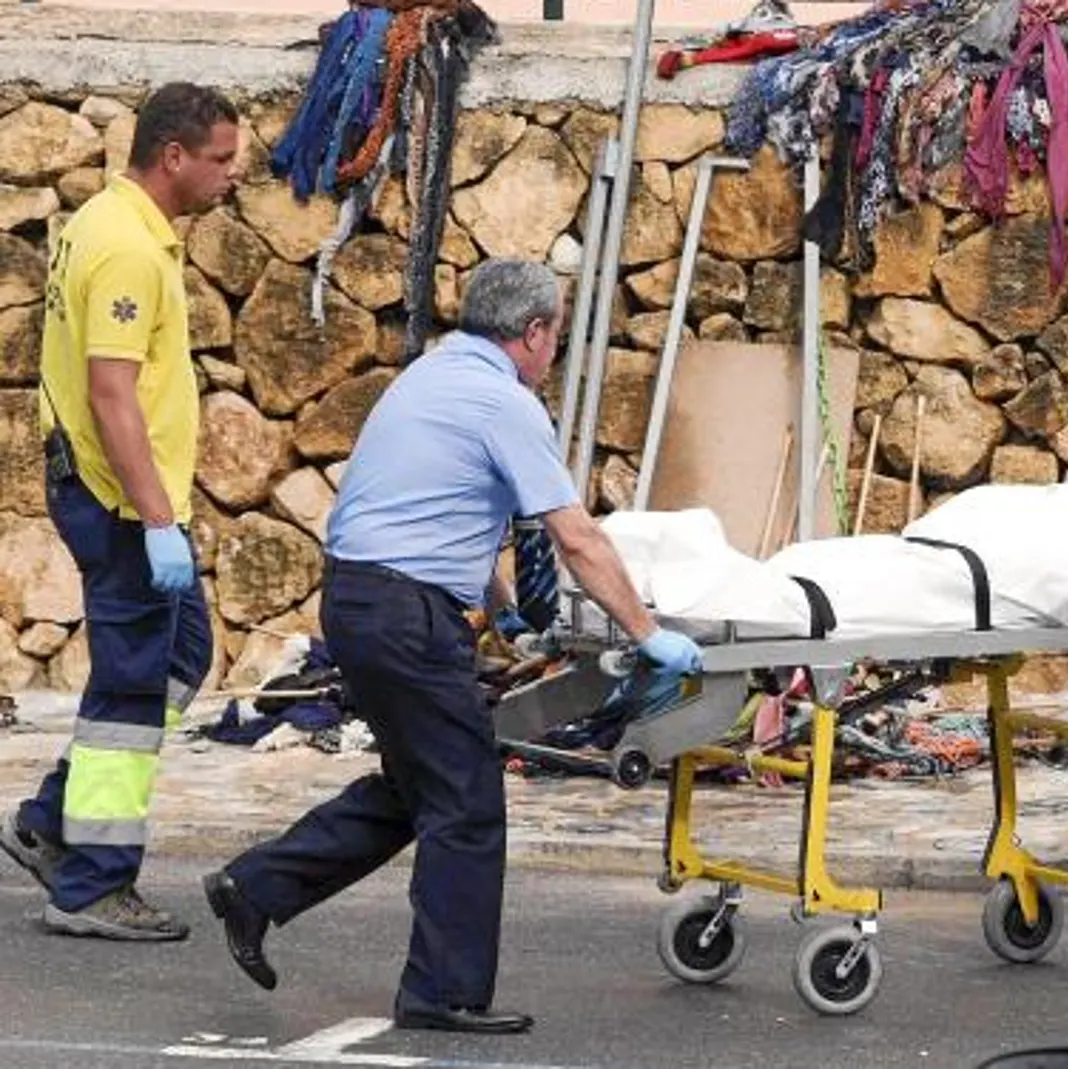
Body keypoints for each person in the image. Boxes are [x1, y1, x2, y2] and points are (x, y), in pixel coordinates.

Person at [199, 260, 706, 1035]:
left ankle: (257, 886)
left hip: (360, 600)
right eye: (556, 337)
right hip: (407, 616)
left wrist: (502, 615)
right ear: (533, 334)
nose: (553, 353)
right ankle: (443, 991)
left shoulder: (428, 378)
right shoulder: (505, 403)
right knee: (467, 799)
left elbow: (445, 515)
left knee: (417, 786)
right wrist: (648, 632)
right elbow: (577, 535)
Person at [0, 83, 240, 941]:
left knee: (179, 653)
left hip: (116, 494)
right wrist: (158, 519)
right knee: (131, 694)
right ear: (172, 156)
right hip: (122, 502)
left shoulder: (109, 222)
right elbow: (112, 392)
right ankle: (95, 882)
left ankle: (53, 820)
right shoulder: (130, 252)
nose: (230, 176)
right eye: (219, 159)